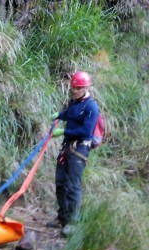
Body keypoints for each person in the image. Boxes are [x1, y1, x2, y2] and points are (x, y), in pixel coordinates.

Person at [47, 71, 99, 237]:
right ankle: (62, 217)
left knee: (72, 185)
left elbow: (86, 130)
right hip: (67, 147)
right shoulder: (74, 102)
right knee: (60, 182)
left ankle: (73, 223)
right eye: (74, 88)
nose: (75, 90)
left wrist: (63, 131)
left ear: (86, 87)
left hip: (79, 149)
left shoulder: (91, 107)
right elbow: (70, 113)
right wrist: (59, 115)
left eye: (79, 88)